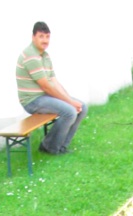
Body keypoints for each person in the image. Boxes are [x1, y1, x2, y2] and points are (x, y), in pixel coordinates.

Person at [16, 21, 87, 155]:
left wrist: (70, 99)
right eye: (41, 36)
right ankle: (49, 147)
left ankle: (62, 147)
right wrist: (70, 102)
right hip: (32, 100)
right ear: (33, 37)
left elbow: (54, 82)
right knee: (70, 112)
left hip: (44, 97)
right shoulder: (31, 56)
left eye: (47, 37)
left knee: (82, 107)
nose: (45, 40)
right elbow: (46, 86)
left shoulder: (45, 56)